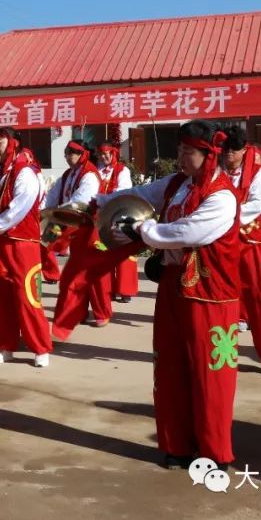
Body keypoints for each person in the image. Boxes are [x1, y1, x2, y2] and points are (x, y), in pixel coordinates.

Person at [100, 120, 240, 469]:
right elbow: (139, 196)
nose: (180, 157)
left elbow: (186, 232)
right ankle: (176, 444)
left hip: (210, 296)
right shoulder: (179, 183)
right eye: (179, 149)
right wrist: (98, 203)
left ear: (209, 155)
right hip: (174, 286)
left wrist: (144, 230)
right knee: (170, 368)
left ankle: (214, 452)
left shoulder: (222, 196)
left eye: (188, 151)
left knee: (210, 376)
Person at [0, 128, 51, 367]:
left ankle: (40, 348)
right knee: (0, 298)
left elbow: (16, 211)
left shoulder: (25, 173)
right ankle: (4, 346)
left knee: (28, 296)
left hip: (22, 245)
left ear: (13, 143)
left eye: (0, 141)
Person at [222, 127, 261, 376]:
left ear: (244, 150)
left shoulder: (259, 175)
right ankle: (223, 352)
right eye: (224, 150)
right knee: (223, 298)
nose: (227, 154)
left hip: (252, 244)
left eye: (233, 150)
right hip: (225, 242)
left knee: (260, 300)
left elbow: (259, 206)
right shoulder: (217, 171)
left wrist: (224, 217)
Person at [48, 140, 111, 340]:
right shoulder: (67, 175)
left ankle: (102, 312)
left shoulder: (90, 174)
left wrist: (58, 213)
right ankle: (79, 311)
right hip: (75, 227)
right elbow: (52, 196)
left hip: (91, 227)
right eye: (66, 153)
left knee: (94, 272)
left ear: (82, 154)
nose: (68, 156)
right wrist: (46, 211)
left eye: (72, 153)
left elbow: (81, 200)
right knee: (76, 272)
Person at [99, 143, 138, 304]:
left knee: (124, 252)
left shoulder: (123, 170)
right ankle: (108, 289)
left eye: (106, 154)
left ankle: (125, 290)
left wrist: (106, 198)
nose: (103, 157)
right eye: (101, 154)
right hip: (103, 215)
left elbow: (124, 191)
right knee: (104, 252)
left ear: (114, 154)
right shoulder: (97, 171)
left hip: (121, 213)